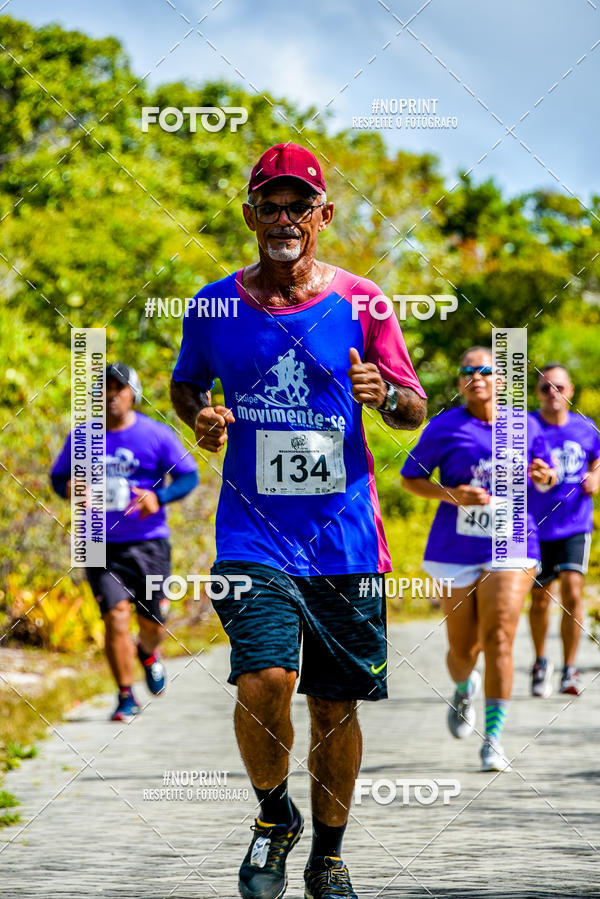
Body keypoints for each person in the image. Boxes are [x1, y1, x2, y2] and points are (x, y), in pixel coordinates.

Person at [170, 142, 426, 899]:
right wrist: (202, 417)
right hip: (252, 535)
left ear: (325, 215)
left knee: (335, 703)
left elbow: (415, 409)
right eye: (270, 206)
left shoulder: (364, 302)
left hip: (345, 536)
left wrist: (386, 395)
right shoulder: (214, 303)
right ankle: (275, 816)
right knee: (265, 677)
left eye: (299, 206)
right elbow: (186, 384)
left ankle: (330, 857)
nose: (285, 219)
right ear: (250, 216)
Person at [401, 347, 555, 772]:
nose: (477, 376)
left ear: (501, 381)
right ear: (460, 382)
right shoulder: (444, 428)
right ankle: (464, 684)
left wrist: (545, 475)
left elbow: (545, 471)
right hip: (456, 546)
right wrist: (451, 494)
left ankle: (494, 739)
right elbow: (411, 479)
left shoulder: (524, 424)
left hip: (513, 540)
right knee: (463, 650)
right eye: (468, 370)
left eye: (487, 369)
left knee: (500, 638)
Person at [51, 363, 198, 721]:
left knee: (154, 621)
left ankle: (148, 652)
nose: (112, 395)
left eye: (119, 388)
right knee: (115, 617)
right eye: (104, 389)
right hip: (100, 542)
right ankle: (125, 696)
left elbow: (188, 476)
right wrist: (71, 488)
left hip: (149, 543)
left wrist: (157, 499)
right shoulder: (83, 437)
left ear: (133, 392)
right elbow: (59, 479)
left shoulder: (157, 435)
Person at [529, 363, 600, 697]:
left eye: (559, 387)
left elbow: (597, 459)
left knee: (572, 591)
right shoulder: (528, 426)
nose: (553, 394)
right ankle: (541, 661)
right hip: (534, 526)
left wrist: (596, 475)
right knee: (540, 599)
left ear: (571, 391)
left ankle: (570, 669)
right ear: (537, 393)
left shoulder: (586, 428)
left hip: (575, 524)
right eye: (545, 388)